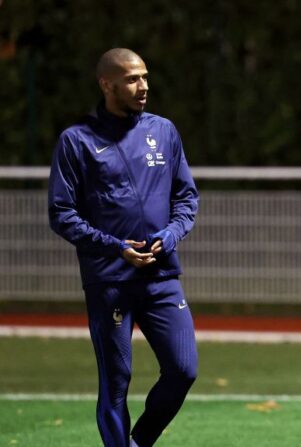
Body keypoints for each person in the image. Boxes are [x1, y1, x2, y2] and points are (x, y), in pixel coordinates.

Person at [48, 48, 199, 447]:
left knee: (184, 370)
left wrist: (169, 237)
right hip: (110, 280)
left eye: (145, 77)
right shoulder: (76, 140)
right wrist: (116, 247)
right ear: (106, 84)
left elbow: (187, 198)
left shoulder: (163, 131)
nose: (143, 86)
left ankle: (138, 442)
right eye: (132, 79)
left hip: (161, 276)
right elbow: (62, 214)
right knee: (116, 382)